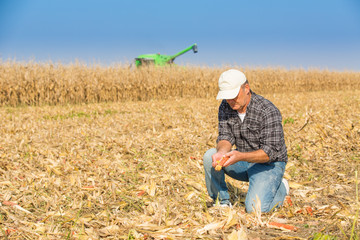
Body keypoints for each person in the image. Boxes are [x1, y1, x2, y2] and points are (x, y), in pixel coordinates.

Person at [203, 69, 289, 213]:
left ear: (246, 89)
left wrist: (240, 156)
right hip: (242, 160)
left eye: (233, 95)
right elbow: (225, 136)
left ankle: (281, 188)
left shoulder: (267, 110)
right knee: (209, 156)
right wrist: (222, 152)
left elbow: (270, 153)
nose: (230, 101)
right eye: (227, 96)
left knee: (255, 209)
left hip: (268, 164)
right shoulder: (225, 106)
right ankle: (222, 202)